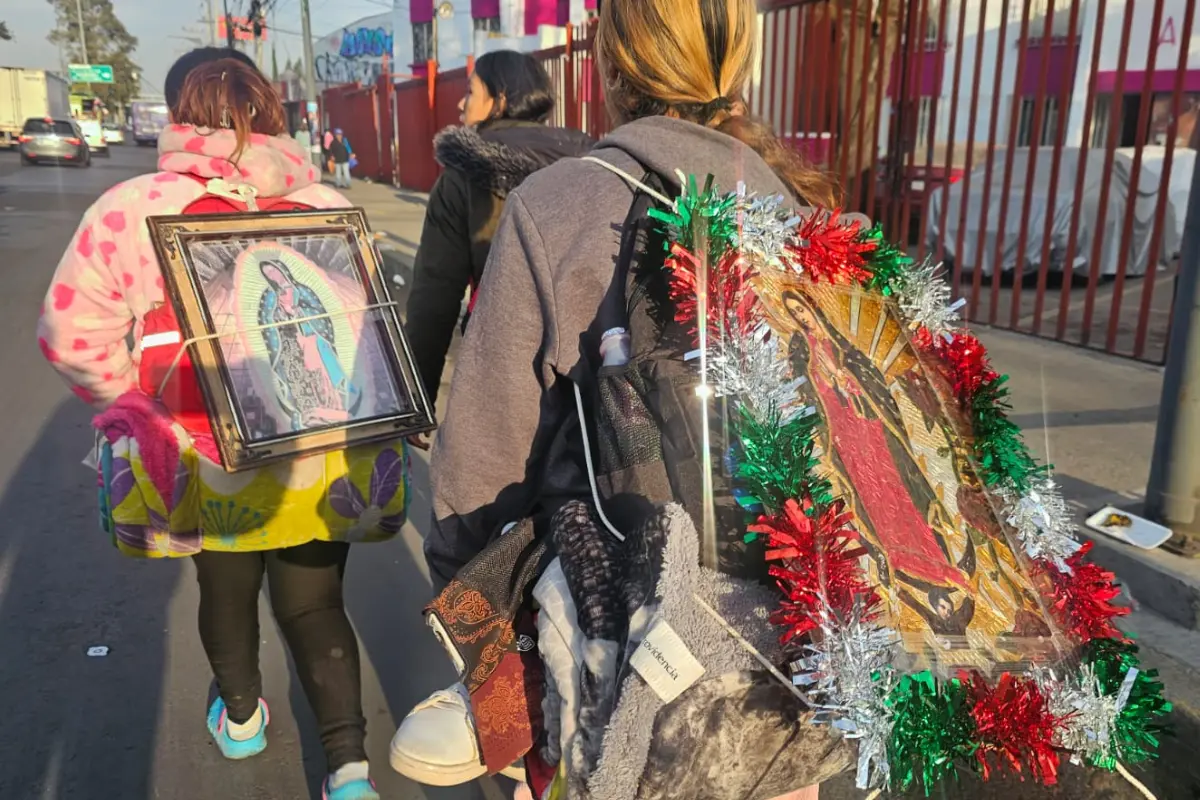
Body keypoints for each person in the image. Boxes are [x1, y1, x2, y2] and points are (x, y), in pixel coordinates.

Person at [389, 0, 840, 793]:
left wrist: (479, 623)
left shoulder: (562, 203)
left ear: (611, 65)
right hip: (782, 664)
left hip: (611, 646)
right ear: (739, 65)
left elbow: (486, 458)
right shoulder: (805, 217)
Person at [36, 54, 396, 800]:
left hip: (200, 451)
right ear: (270, 111)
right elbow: (367, 331)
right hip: (317, 447)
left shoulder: (131, 209)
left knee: (224, 592)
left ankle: (241, 720)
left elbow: (70, 334)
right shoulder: (324, 204)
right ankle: (349, 770)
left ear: (177, 112)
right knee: (316, 603)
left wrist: (133, 406)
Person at [404, 51, 594, 414]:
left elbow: (435, 294)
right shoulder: (588, 163)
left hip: (501, 370)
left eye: (471, 92)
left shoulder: (464, 176)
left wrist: (417, 397)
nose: (461, 103)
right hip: (587, 367)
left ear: (500, 100)